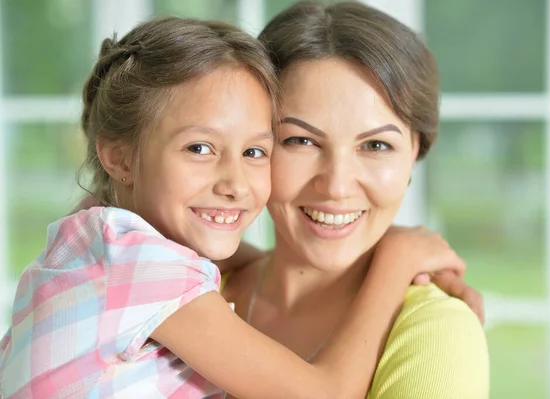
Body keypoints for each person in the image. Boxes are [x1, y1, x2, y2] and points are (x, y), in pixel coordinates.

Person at [0, 17, 466, 399]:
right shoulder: (142, 268)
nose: (234, 184)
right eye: (299, 140)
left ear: (417, 152)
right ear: (118, 157)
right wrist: (398, 258)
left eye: (254, 152)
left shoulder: (99, 236)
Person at [222, 2, 490, 398]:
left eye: (376, 145)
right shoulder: (194, 289)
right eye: (301, 140)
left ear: (415, 152)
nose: (336, 186)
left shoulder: (434, 329)